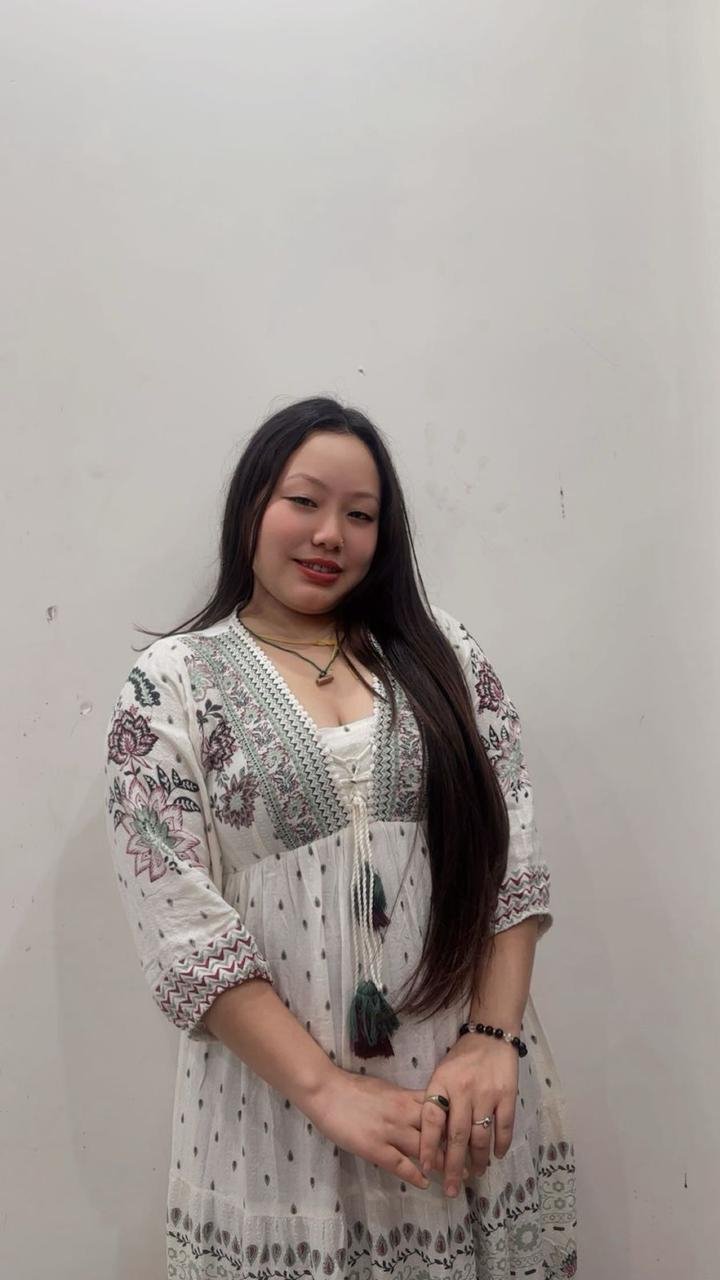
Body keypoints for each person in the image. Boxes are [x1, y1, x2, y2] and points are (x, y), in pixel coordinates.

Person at [104, 396, 577, 1279]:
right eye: (304, 501)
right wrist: (328, 1093)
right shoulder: (170, 683)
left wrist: (491, 1037)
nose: (331, 534)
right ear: (251, 504)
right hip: (278, 1116)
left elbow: (512, 852)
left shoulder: (440, 653)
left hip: (463, 1096)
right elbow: (180, 927)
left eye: (361, 515)